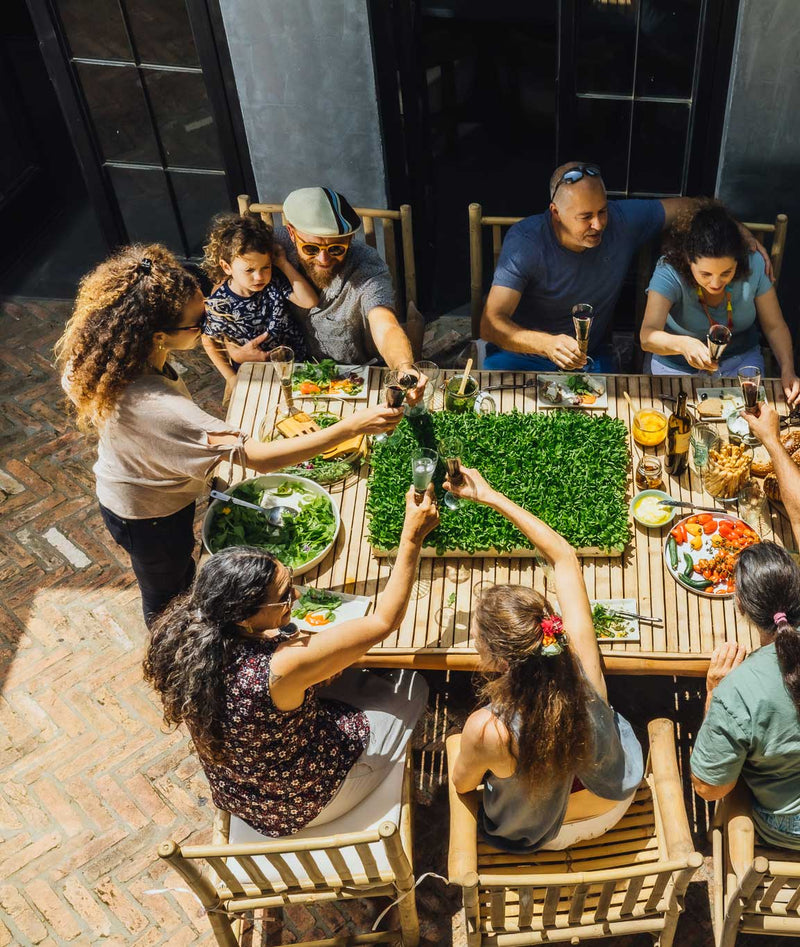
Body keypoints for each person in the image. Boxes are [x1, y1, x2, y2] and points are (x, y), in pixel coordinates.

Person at [55, 244, 403, 625]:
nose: (209, 325)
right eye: (198, 323)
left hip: (152, 484)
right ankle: (172, 653)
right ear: (156, 335)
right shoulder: (157, 407)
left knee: (182, 579)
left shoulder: (104, 357)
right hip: (147, 514)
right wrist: (353, 426)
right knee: (166, 597)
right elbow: (258, 457)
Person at [143, 485, 438, 837]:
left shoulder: (184, 635)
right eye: (284, 596)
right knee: (415, 686)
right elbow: (383, 621)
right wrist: (412, 537)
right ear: (244, 617)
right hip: (303, 803)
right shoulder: (282, 666)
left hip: (243, 792)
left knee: (339, 679)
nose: (295, 597)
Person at [447, 468, 643, 852]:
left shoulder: (489, 730)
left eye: (477, 637)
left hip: (546, 833)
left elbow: (462, 785)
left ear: (497, 659)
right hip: (612, 803)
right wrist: (491, 495)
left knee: (458, 750)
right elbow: (564, 556)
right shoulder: (581, 661)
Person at [481, 161, 770, 374]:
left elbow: (694, 206)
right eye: (585, 217)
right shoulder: (526, 241)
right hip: (521, 355)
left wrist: (735, 229)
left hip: (589, 357)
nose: (598, 224)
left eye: (602, 211)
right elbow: (490, 323)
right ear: (555, 213)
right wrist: (544, 344)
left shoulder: (622, 220)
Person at [691, 402, 800, 850]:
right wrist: (773, 440)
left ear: (740, 605)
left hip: (788, 828)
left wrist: (714, 692)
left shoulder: (740, 691)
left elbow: (709, 787)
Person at [225, 187, 425, 401]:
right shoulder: (269, 247)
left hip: (356, 374)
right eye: (311, 248)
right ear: (291, 233)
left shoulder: (367, 266)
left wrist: (403, 366)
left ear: (349, 239)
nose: (323, 259)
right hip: (290, 370)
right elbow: (228, 291)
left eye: (337, 249)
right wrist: (233, 351)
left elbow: (384, 324)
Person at [641, 202, 800, 405]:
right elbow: (647, 335)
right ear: (688, 259)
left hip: (741, 361)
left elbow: (774, 326)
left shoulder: (755, 265)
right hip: (677, 364)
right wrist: (682, 344)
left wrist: (788, 370)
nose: (715, 283)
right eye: (705, 274)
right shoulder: (669, 270)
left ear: (738, 260)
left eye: (726, 273)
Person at [200, 213, 317, 387]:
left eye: (265, 267)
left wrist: (283, 263)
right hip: (256, 372)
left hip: (295, 363)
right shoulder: (220, 303)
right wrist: (230, 377)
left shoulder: (273, 283)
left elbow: (309, 301)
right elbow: (209, 341)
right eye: (249, 270)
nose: (259, 277)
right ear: (226, 267)